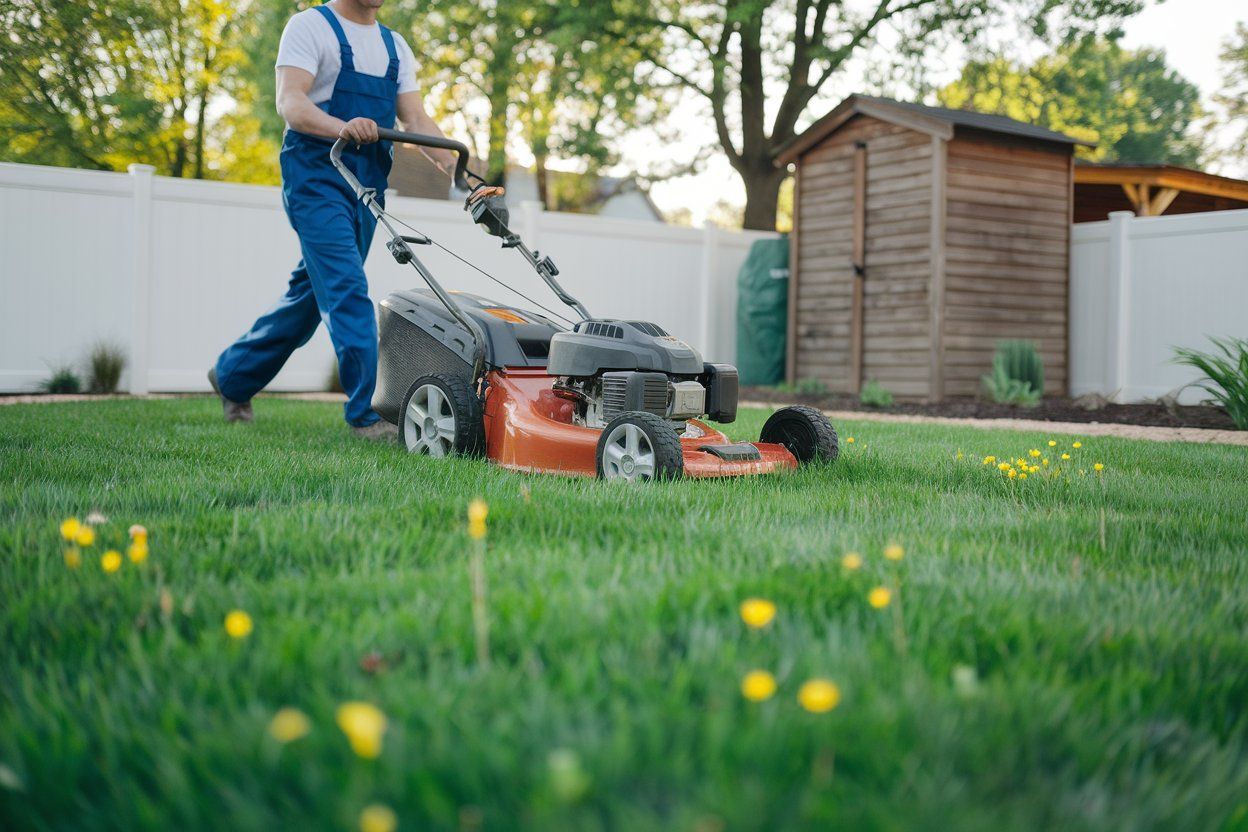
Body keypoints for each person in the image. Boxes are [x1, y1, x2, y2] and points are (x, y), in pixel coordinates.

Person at [209, 0, 457, 438]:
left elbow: (415, 117)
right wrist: (343, 125)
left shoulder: (393, 45)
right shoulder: (309, 27)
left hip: (367, 183)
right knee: (346, 286)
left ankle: (233, 376)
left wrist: (458, 165)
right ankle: (369, 412)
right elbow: (291, 102)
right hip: (317, 176)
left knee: (310, 297)